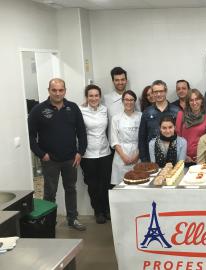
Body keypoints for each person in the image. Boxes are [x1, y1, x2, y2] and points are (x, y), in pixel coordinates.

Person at [28, 78, 87, 231]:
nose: (57, 93)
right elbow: (30, 136)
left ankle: (72, 218)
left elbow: (81, 132)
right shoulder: (38, 110)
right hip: (50, 160)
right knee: (49, 193)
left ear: (65, 91)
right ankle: (49, 222)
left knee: (70, 189)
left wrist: (80, 152)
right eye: (54, 90)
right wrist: (41, 154)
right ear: (49, 90)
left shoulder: (72, 108)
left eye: (61, 90)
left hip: (70, 159)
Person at [79, 84, 112, 224]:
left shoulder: (104, 109)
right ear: (86, 97)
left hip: (105, 152)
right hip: (88, 154)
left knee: (105, 183)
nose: (94, 98)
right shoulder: (80, 110)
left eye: (96, 95)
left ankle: (106, 209)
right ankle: (97, 211)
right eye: (91, 95)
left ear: (100, 97)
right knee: (92, 184)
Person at [138, 80, 179, 162]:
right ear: (152, 93)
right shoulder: (147, 112)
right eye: (156, 92)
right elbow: (142, 137)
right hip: (152, 158)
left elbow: (181, 135)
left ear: (166, 91)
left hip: (173, 156)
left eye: (161, 91)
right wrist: (144, 159)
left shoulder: (176, 111)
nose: (159, 94)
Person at [110, 90, 142, 185]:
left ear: (135, 101)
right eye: (126, 100)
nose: (129, 102)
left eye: (131, 100)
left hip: (137, 154)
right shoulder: (116, 118)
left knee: (138, 183)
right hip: (121, 156)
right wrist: (124, 157)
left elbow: (143, 138)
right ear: (122, 101)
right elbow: (114, 140)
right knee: (121, 187)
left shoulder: (141, 116)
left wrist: (137, 156)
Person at [175, 89, 206, 165]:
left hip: (201, 157)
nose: (194, 103)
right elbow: (177, 138)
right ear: (188, 102)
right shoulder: (181, 115)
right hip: (184, 157)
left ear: (201, 101)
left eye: (197, 99)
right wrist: (184, 155)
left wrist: (201, 156)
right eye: (191, 100)